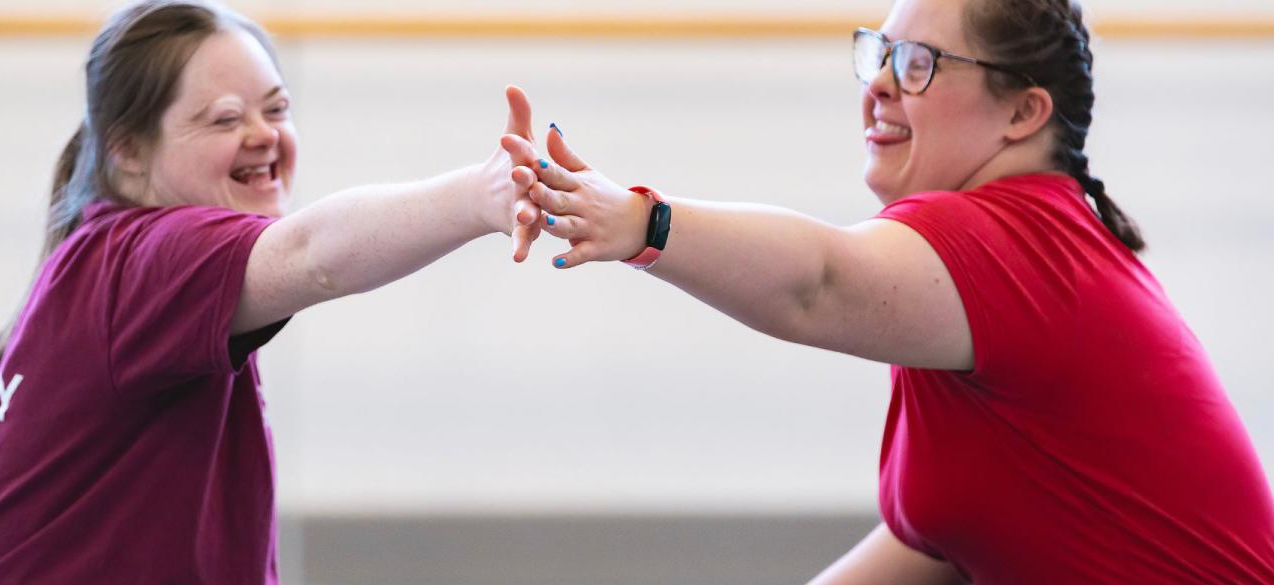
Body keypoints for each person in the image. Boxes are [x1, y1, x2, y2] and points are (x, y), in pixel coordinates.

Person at [501, 0, 1274, 582]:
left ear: (1022, 111)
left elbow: (819, 282)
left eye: (918, 64)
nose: (877, 85)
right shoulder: (999, 268)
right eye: (879, 54)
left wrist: (644, 221)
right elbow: (930, 537)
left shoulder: (1018, 243)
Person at [0, 1, 545, 583]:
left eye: (276, 110)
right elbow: (313, 256)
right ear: (128, 151)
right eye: (224, 119)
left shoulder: (104, 268)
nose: (264, 135)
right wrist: (478, 196)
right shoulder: (144, 261)